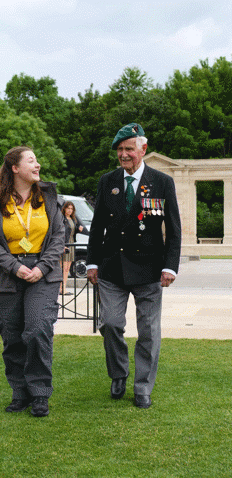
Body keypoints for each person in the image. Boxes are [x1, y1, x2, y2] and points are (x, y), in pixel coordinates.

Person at [86, 123, 181, 409]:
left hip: (149, 269)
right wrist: (92, 262)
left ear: (143, 149)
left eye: (129, 149)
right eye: (119, 150)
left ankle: (142, 387)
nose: (124, 155)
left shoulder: (162, 181)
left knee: (149, 331)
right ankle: (118, 374)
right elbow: (97, 226)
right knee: (111, 324)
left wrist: (170, 267)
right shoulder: (108, 181)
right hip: (112, 268)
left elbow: (173, 228)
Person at [0, 146, 65, 417]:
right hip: (7, 274)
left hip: (43, 273)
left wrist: (41, 267)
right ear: (15, 168)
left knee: (38, 329)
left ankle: (40, 393)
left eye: (37, 160)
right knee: (13, 335)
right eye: (31, 161)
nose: (37, 165)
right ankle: (20, 393)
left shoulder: (49, 197)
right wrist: (15, 267)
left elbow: (59, 236)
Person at [60, 201, 87, 295]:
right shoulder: (61, 219)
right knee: (62, 267)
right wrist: (62, 245)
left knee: (67, 268)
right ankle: (61, 288)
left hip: (71, 243)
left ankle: (64, 288)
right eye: (68, 208)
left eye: (71, 209)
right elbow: (60, 233)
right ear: (64, 208)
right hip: (65, 244)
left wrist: (77, 230)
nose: (70, 210)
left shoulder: (72, 219)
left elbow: (71, 232)